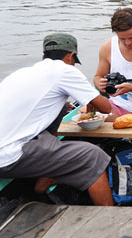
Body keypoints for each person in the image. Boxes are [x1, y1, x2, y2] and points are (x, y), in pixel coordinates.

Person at [0, 33, 113, 206]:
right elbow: (106, 108)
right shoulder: (65, 70)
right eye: (74, 60)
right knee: (93, 157)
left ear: (44, 56)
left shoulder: (22, 73)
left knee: (62, 106)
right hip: (8, 156)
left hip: (8, 145)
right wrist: (95, 98)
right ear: (70, 56)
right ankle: (111, 219)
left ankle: (44, 180)